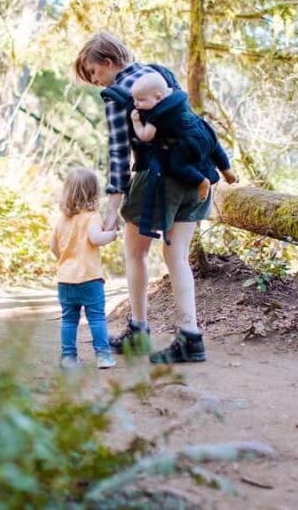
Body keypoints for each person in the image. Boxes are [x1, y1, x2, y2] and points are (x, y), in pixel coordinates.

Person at [73, 31, 215, 363]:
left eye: (95, 74)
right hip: (197, 175)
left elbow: (119, 153)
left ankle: (138, 331)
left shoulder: (116, 95)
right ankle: (191, 338)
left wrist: (113, 206)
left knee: (135, 254)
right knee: (177, 257)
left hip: (157, 180)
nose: (97, 83)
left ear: (108, 63)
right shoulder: (160, 74)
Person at [128, 72, 237, 203]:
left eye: (140, 100)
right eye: (134, 99)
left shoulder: (156, 114)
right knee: (216, 150)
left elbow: (146, 136)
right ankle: (227, 171)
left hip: (188, 143)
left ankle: (201, 181)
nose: (135, 104)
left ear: (158, 98)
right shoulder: (178, 98)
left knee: (177, 166)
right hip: (205, 131)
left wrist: (136, 122)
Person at [50, 168, 118, 369]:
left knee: (69, 320)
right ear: (93, 192)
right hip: (89, 278)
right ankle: (103, 356)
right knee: (96, 318)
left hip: (65, 280)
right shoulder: (91, 217)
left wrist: (65, 260)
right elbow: (96, 238)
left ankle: (68, 358)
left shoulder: (62, 219)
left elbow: (53, 247)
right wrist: (112, 235)